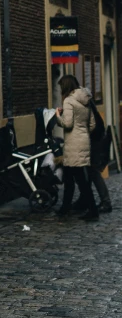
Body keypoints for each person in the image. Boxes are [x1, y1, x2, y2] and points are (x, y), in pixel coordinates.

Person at [55, 74, 98, 221]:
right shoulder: (85, 100)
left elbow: (67, 124)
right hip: (84, 141)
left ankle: (93, 210)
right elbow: (92, 124)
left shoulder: (68, 100)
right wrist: (83, 133)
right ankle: (64, 208)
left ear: (65, 86)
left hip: (73, 144)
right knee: (70, 177)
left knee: (79, 179)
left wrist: (57, 116)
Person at [71, 99, 112, 213]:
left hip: (94, 141)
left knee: (92, 170)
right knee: (87, 170)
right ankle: (85, 199)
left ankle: (106, 201)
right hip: (94, 140)